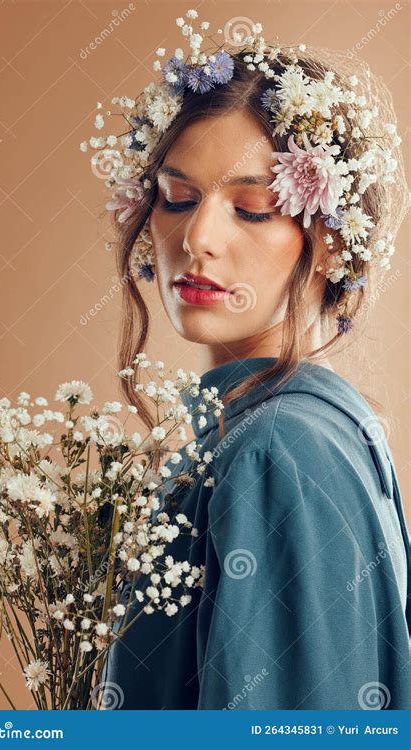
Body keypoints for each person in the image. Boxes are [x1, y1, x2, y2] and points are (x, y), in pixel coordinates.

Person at [82, 9, 410, 709]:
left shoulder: (276, 449)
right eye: (177, 197)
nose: (198, 236)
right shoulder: (292, 434)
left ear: (328, 241)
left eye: (253, 206)